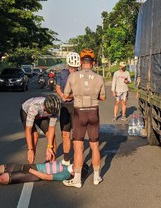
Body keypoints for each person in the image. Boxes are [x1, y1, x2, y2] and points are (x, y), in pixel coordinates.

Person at [62, 48, 106, 188]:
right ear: (93, 63)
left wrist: (76, 95)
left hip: (79, 112)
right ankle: (97, 177)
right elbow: (103, 97)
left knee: (78, 146)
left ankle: (77, 180)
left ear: (81, 62)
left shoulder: (73, 77)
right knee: (95, 146)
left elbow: (66, 95)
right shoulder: (99, 78)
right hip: (93, 112)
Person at [0, 161, 75, 185]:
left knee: (3, 179)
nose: (75, 166)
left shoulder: (66, 174)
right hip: (32, 166)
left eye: (77, 168)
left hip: (33, 173)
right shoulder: (65, 164)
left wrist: (30, 170)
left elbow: (47, 177)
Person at [55, 52, 80, 166]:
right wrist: (62, 96)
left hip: (76, 106)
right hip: (64, 106)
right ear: (68, 65)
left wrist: (72, 96)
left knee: (76, 135)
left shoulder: (80, 75)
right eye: (71, 67)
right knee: (65, 133)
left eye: (75, 68)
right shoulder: (62, 74)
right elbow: (58, 87)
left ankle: (77, 158)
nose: (73, 69)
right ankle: (66, 160)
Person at [20, 94, 61, 164]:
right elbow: (28, 130)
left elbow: (51, 128)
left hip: (41, 115)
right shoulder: (34, 107)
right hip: (26, 111)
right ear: (44, 106)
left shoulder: (54, 109)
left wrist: (49, 147)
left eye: (50, 114)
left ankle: (52, 164)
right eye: (47, 111)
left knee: (52, 137)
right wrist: (30, 149)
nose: (48, 114)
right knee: (34, 136)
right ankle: (30, 165)